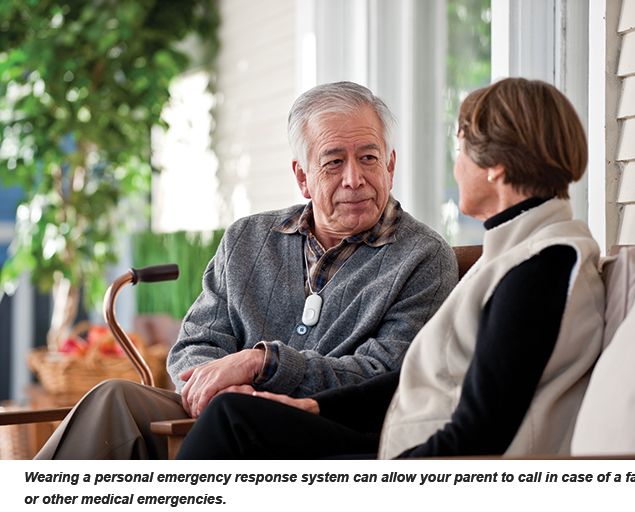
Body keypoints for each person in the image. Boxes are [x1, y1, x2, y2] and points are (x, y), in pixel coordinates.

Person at [176, 77, 606, 460]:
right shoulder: (523, 256)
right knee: (230, 414)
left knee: (235, 419)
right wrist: (321, 407)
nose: (456, 168)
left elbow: (482, 427)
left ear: (496, 168)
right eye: (333, 162)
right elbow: (427, 375)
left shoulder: (541, 267)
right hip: (400, 440)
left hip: (412, 461)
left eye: (461, 151)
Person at [35, 81, 457, 460]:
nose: (355, 179)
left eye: (369, 158)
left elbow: (385, 375)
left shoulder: (423, 257)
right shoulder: (247, 238)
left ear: (390, 165)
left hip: (325, 429)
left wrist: (265, 364)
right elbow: (195, 343)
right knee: (114, 398)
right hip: (223, 412)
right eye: (333, 163)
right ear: (303, 177)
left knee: (228, 417)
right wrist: (220, 388)